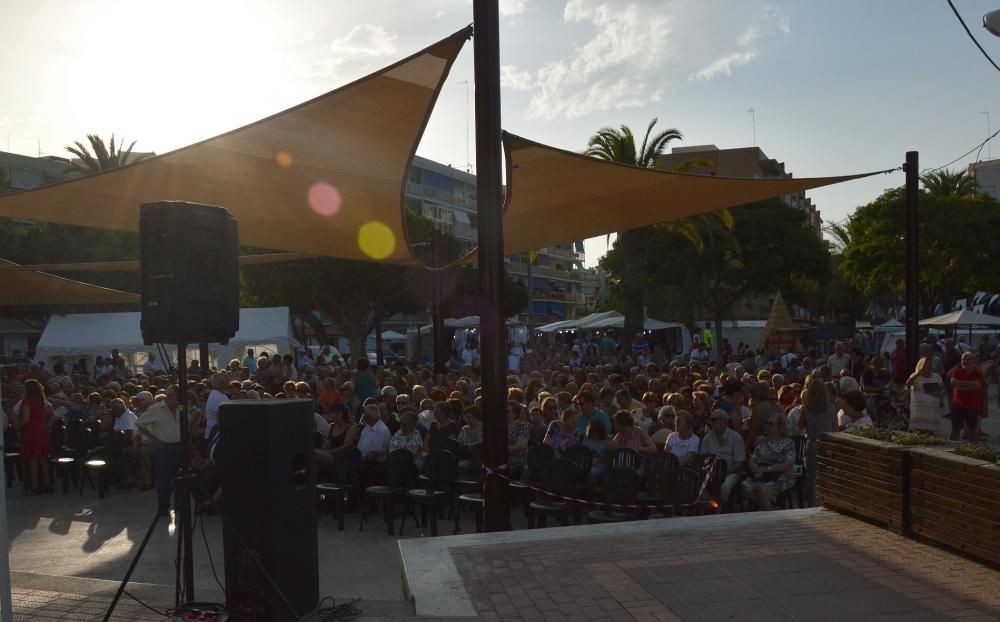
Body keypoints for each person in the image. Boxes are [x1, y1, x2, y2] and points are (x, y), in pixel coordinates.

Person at [135, 386, 181, 516]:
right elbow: (139, 423)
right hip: (164, 448)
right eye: (175, 397)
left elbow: (188, 416)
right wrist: (153, 439)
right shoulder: (155, 409)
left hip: (179, 447)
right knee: (163, 480)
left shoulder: (180, 407)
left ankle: (179, 504)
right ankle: (163, 507)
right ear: (170, 396)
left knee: (180, 478)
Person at [741, 412, 796, 510]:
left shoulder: (788, 443)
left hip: (781, 476)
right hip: (762, 476)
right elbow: (753, 458)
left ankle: (767, 514)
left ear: (780, 427)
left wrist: (766, 469)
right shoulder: (762, 441)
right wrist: (755, 467)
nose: (767, 426)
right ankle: (769, 510)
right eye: (766, 423)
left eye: (771, 424)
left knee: (763, 491)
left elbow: (788, 464)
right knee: (745, 486)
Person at [797, 378, 836, 507]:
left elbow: (800, 426)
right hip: (828, 444)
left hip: (812, 444)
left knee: (812, 477)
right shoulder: (831, 407)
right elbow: (835, 427)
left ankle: (813, 504)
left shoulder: (806, 408)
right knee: (827, 475)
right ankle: (827, 502)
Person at [14, 379, 55, 495]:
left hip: (31, 431)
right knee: (43, 459)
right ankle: (48, 484)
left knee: (33, 460)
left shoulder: (27, 401)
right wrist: (46, 427)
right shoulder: (42, 401)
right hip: (42, 430)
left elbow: (26, 419)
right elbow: (52, 416)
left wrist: (20, 425)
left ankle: (35, 486)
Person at [699, 409, 746, 507]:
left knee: (724, 487)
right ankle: (712, 506)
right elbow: (702, 458)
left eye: (713, 419)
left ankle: (721, 508)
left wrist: (724, 472)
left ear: (723, 421)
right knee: (698, 484)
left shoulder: (736, 438)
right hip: (711, 472)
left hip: (731, 472)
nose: (710, 422)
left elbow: (740, 462)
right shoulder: (707, 438)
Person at [949, 351, 984, 442]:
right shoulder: (957, 372)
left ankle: (973, 451)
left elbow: (978, 386)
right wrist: (970, 385)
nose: (965, 361)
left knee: (973, 430)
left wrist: (960, 385)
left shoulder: (978, 373)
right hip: (957, 406)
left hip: (972, 406)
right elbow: (953, 383)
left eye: (968, 359)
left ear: (974, 361)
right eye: (963, 359)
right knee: (955, 429)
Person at [906, 356, 945, 433]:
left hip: (932, 410)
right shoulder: (915, 376)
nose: (929, 366)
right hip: (919, 411)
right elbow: (908, 384)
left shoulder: (936, 376)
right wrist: (917, 374)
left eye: (930, 364)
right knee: (918, 431)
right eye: (927, 364)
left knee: (930, 431)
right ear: (921, 365)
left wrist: (939, 394)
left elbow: (943, 389)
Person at [506, 401, 531, 479]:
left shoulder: (522, 427)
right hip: (501, 460)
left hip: (517, 462)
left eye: (507, 411)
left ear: (515, 414)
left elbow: (518, 447)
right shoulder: (498, 426)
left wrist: (499, 448)